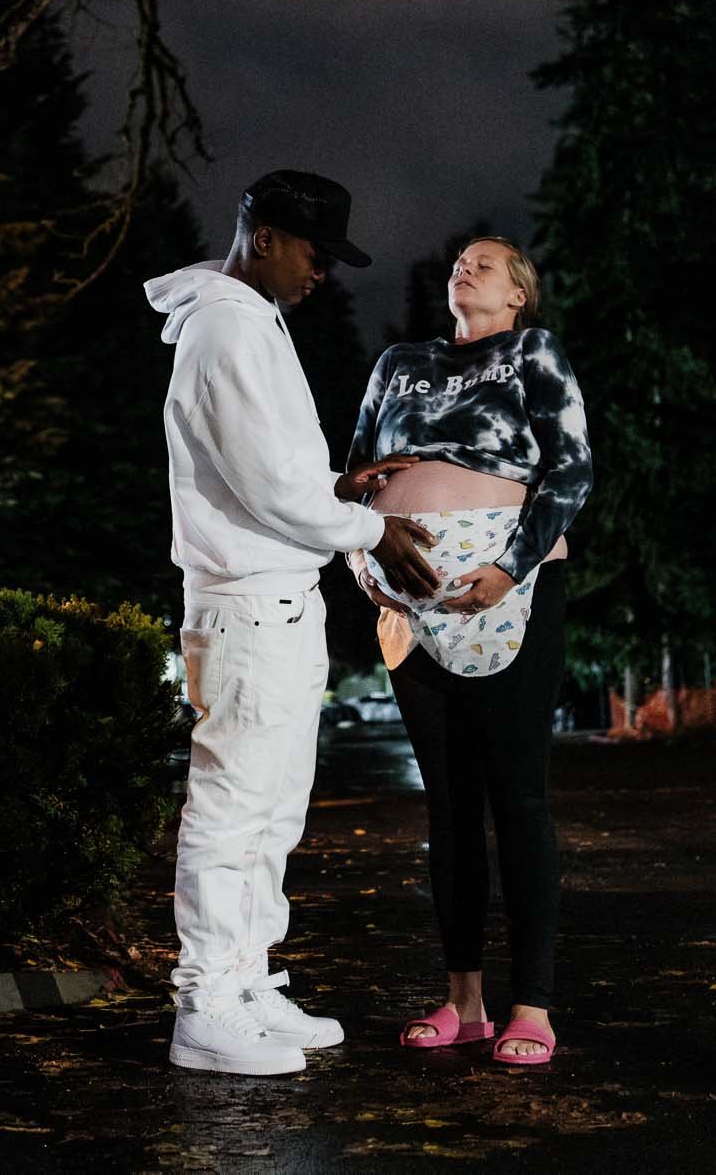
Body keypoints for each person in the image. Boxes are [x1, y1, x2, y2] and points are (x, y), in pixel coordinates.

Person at [147, 170, 440, 1077]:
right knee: (233, 805)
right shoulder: (227, 325)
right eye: (317, 252)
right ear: (264, 234)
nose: (326, 272)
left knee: (271, 810)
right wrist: (370, 529)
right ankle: (204, 1003)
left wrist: (336, 491)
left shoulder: (252, 320)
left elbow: (273, 473)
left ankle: (244, 981)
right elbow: (267, 489)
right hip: (243, 603)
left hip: (273, 601)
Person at [343, 236, 591, 1066]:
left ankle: (534, 1004)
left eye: (488, 262)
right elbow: (351, 474)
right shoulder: (399, 362)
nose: (466, 267)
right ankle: (465, 1001)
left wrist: (509, 565)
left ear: (520, 294)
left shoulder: (532, 352)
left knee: (516, 797)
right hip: (408, 599)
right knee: (447, 805)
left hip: (510, 588)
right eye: (459, 260)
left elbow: (572, 468)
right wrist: (364, 565)